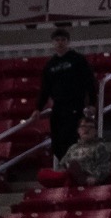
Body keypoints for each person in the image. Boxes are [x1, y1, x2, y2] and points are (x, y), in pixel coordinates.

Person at [35, 29, 95, 164]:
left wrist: (92, 103)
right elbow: (45, 89)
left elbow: (89, 82)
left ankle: (74, 165)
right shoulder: (50, 65)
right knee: (57, 140)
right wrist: (38, 108)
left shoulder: (78, 59)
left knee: (72, 137)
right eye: (57, 40)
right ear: (53, 43)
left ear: (68, 42)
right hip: (58, 107)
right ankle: (66, 164)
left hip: (75, 105)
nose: (60, 43)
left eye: (63, 40)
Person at [56, 117, 111, 186]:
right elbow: (62, 165)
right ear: (78, 130)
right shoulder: (73, 147)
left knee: (74, 165)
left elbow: (104, 166)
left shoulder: (100, 147)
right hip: (70, 179)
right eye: (83, 126)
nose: (86, 129)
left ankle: (82, 180)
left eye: (90, 127)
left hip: (89, 180)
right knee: (45, 173)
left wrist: (95, 177)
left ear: (95, 131)